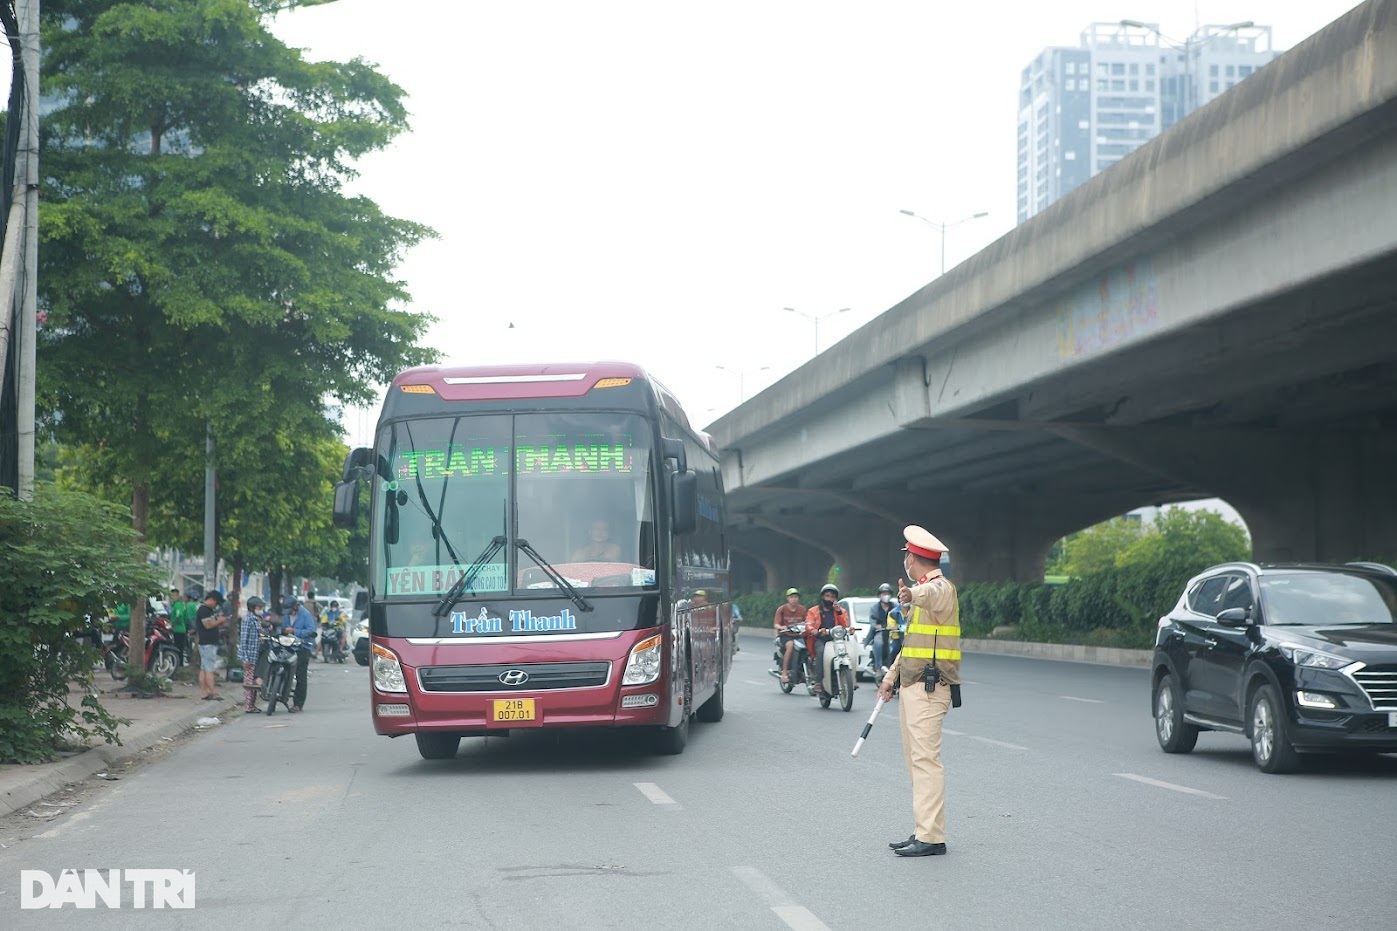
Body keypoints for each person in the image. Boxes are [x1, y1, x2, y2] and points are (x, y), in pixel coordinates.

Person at [878, 525, 961, 858]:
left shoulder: (940, 588)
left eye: (907, 556)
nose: (906, 562)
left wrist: (912, 596)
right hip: (912, 686)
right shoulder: (923, 592)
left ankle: (931, 837)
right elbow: (911, 645)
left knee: (926, 762)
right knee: (916, 763)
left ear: (913, 558)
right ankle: (923, 829)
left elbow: (932, 595)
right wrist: (890, 677)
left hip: (930, 688)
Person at [804, 584, 850, 694]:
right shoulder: (813, 611)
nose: (830, 599)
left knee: (849, 650)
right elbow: (808, 624)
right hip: (820, 639)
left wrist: (838, 612)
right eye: (827, 596)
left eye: (832, 596)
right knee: (821, 652)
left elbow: (845, 624)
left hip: (836, 639)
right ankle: (818, 682)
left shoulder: (841, 610)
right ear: (822, 597)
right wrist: (812, 630)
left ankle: (851, 679)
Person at [280, 595, 318, 712]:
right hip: (288, 646)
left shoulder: (305, 614)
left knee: (300, 676)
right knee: (282, 671)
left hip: (302, 647)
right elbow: (283, 627)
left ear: (296, 606)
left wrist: (295, 631)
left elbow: (311, 631)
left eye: (291, 610)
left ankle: (298, 704)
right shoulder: (287, 615)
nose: (289, 613)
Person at [194, 590, 230, 701]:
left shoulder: (208, 610)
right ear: (212, 600)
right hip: (207, 643)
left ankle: (204, 692)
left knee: (204, 668)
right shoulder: (204, 610)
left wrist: (219, 620)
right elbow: (208, 625)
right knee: (209, 669)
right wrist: (221, 620)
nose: (216, 605)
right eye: (216, 603)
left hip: (207, 643)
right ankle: (213, 692)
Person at [238, 597, 269, 713]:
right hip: (250, 656)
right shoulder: (248, 620)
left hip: (260, 654)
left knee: (255, 682)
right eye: (259, 607)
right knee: (249, 682)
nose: (261, 609)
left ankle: (253, 704)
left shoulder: (260, 619)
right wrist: (245, 659)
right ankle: (248, 705)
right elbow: (243, 640)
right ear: (252, 608)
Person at [771, 587, 806, 683]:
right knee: (790, 646)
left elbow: (807, 621)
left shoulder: (802, 609)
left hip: (799, 635)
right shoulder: (782, 609)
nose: (794, 599)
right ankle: (785, 672)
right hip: (785, 635)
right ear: (788, 598)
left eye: (796, 597)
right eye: (792, 597)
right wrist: (782, 627)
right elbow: (776, 624)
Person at [864, 583, 898, 676]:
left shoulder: (895, 607)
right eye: (883, 593)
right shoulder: (875, 608)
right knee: (878, 643)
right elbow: (872, 621)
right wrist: (876, 626)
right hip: (880, 632)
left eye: (887, 593)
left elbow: (901, 617)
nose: (885, 596)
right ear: (879, 595)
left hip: (893, 633)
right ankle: (878, 666)